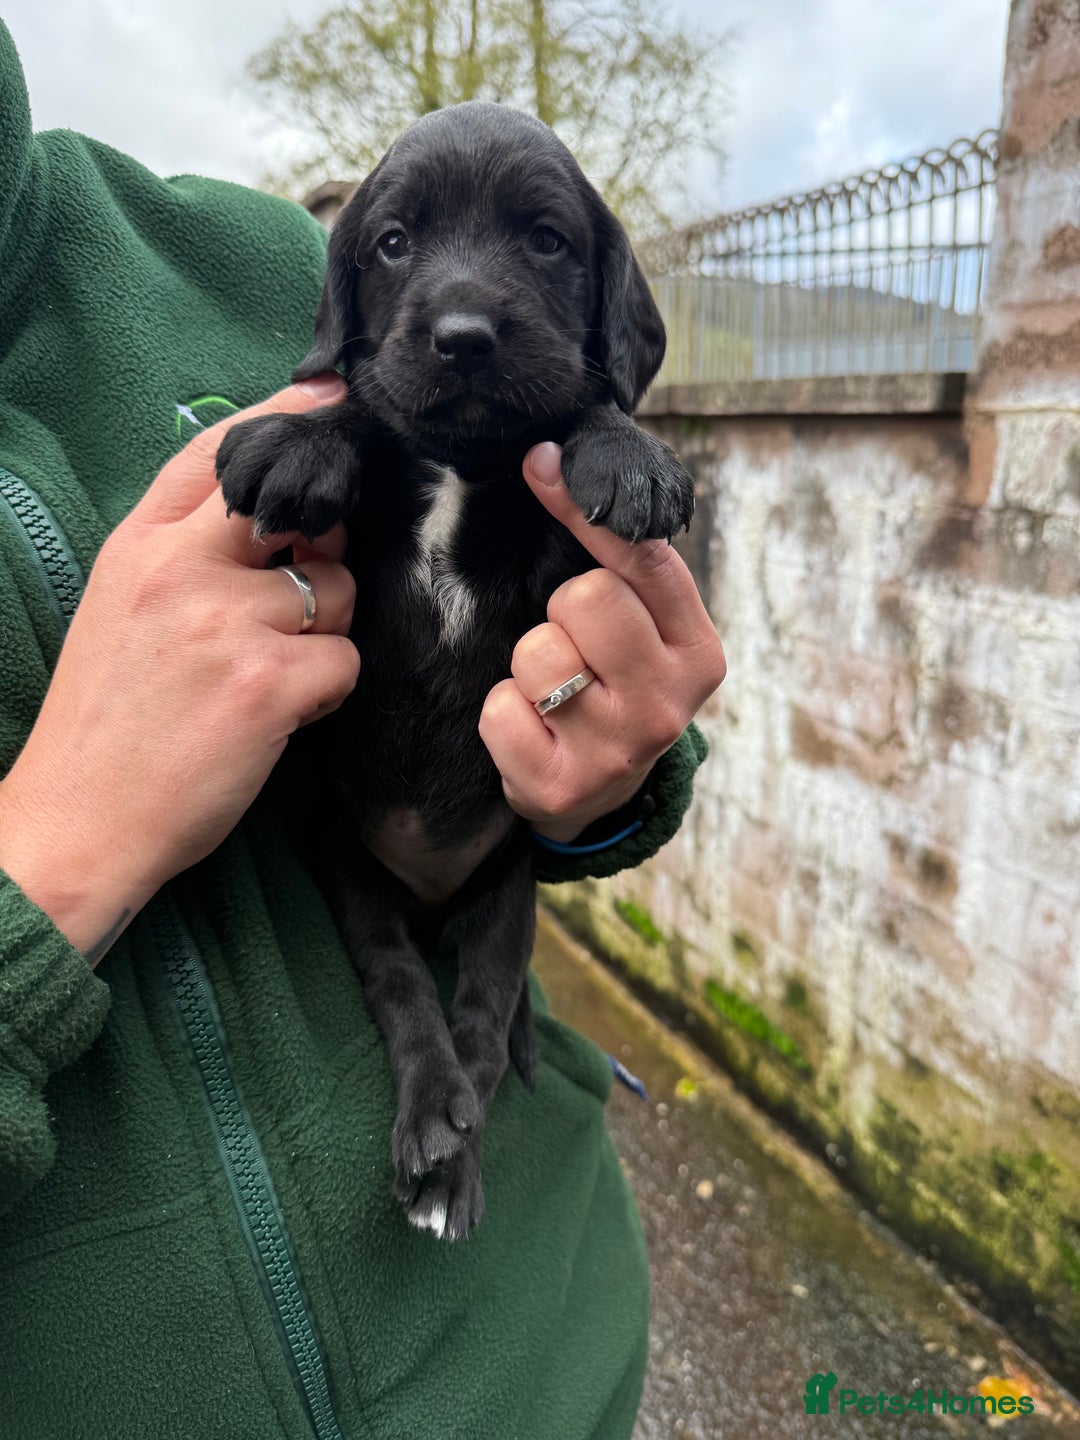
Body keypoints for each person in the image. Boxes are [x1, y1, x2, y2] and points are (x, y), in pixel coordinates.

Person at [0, 20, 725, 1440]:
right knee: (397, 953)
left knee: (490, 945)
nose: (461, 305)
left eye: (537, 244)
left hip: (554, 1339)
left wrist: (613, 773)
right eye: (403, 248)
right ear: (360, 285)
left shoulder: (244, 258)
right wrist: (52, 855)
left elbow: (614, 700)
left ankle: (481, 1061)